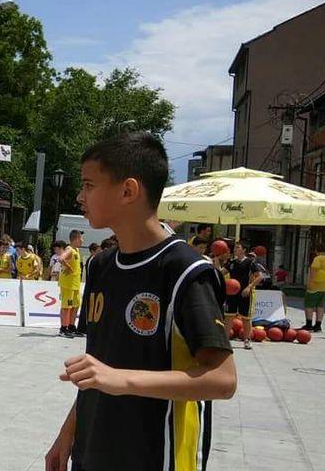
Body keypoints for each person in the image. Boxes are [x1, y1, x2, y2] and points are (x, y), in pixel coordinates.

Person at [45, 132, 235, 471]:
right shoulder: (101, 266)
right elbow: (99, 367)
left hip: (157, 456)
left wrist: (122, 379)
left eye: (89, 185)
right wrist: (67, 433)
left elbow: (222, 381)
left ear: (128, 191)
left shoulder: (186, 271)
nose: (79, 196)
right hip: (93, 453)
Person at [224, 241, 262, 349]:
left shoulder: (251, 263)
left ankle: (247, 340)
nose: (235, 249)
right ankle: (225, 341)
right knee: (229, 317)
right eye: (235, 247)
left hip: (245, 293)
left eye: (238, 247)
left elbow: (259, 277)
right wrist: (217, 259)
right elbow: (220, 272)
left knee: (246, 318)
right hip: (232, 293)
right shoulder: (232, 262)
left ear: (244, 250)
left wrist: (249, 287)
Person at [57, 230, 84, 338]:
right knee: (66, 306)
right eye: (81, 238)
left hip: (75, 284)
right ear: (76, 239)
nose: (82, 241)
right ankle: (63, 329)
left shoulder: (76, 250)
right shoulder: (70, 249)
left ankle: (71, 326)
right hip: (68, 284)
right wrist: (68, 267)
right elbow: (61, 258)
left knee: (76, 305)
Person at [302, 243, 325, 332]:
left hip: (315, 285)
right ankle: (318, 326)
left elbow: (313, 272)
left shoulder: (317, 259)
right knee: (320, 306)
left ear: (316, 251)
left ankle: (309, 325)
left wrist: (309, 284)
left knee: (309, 305)